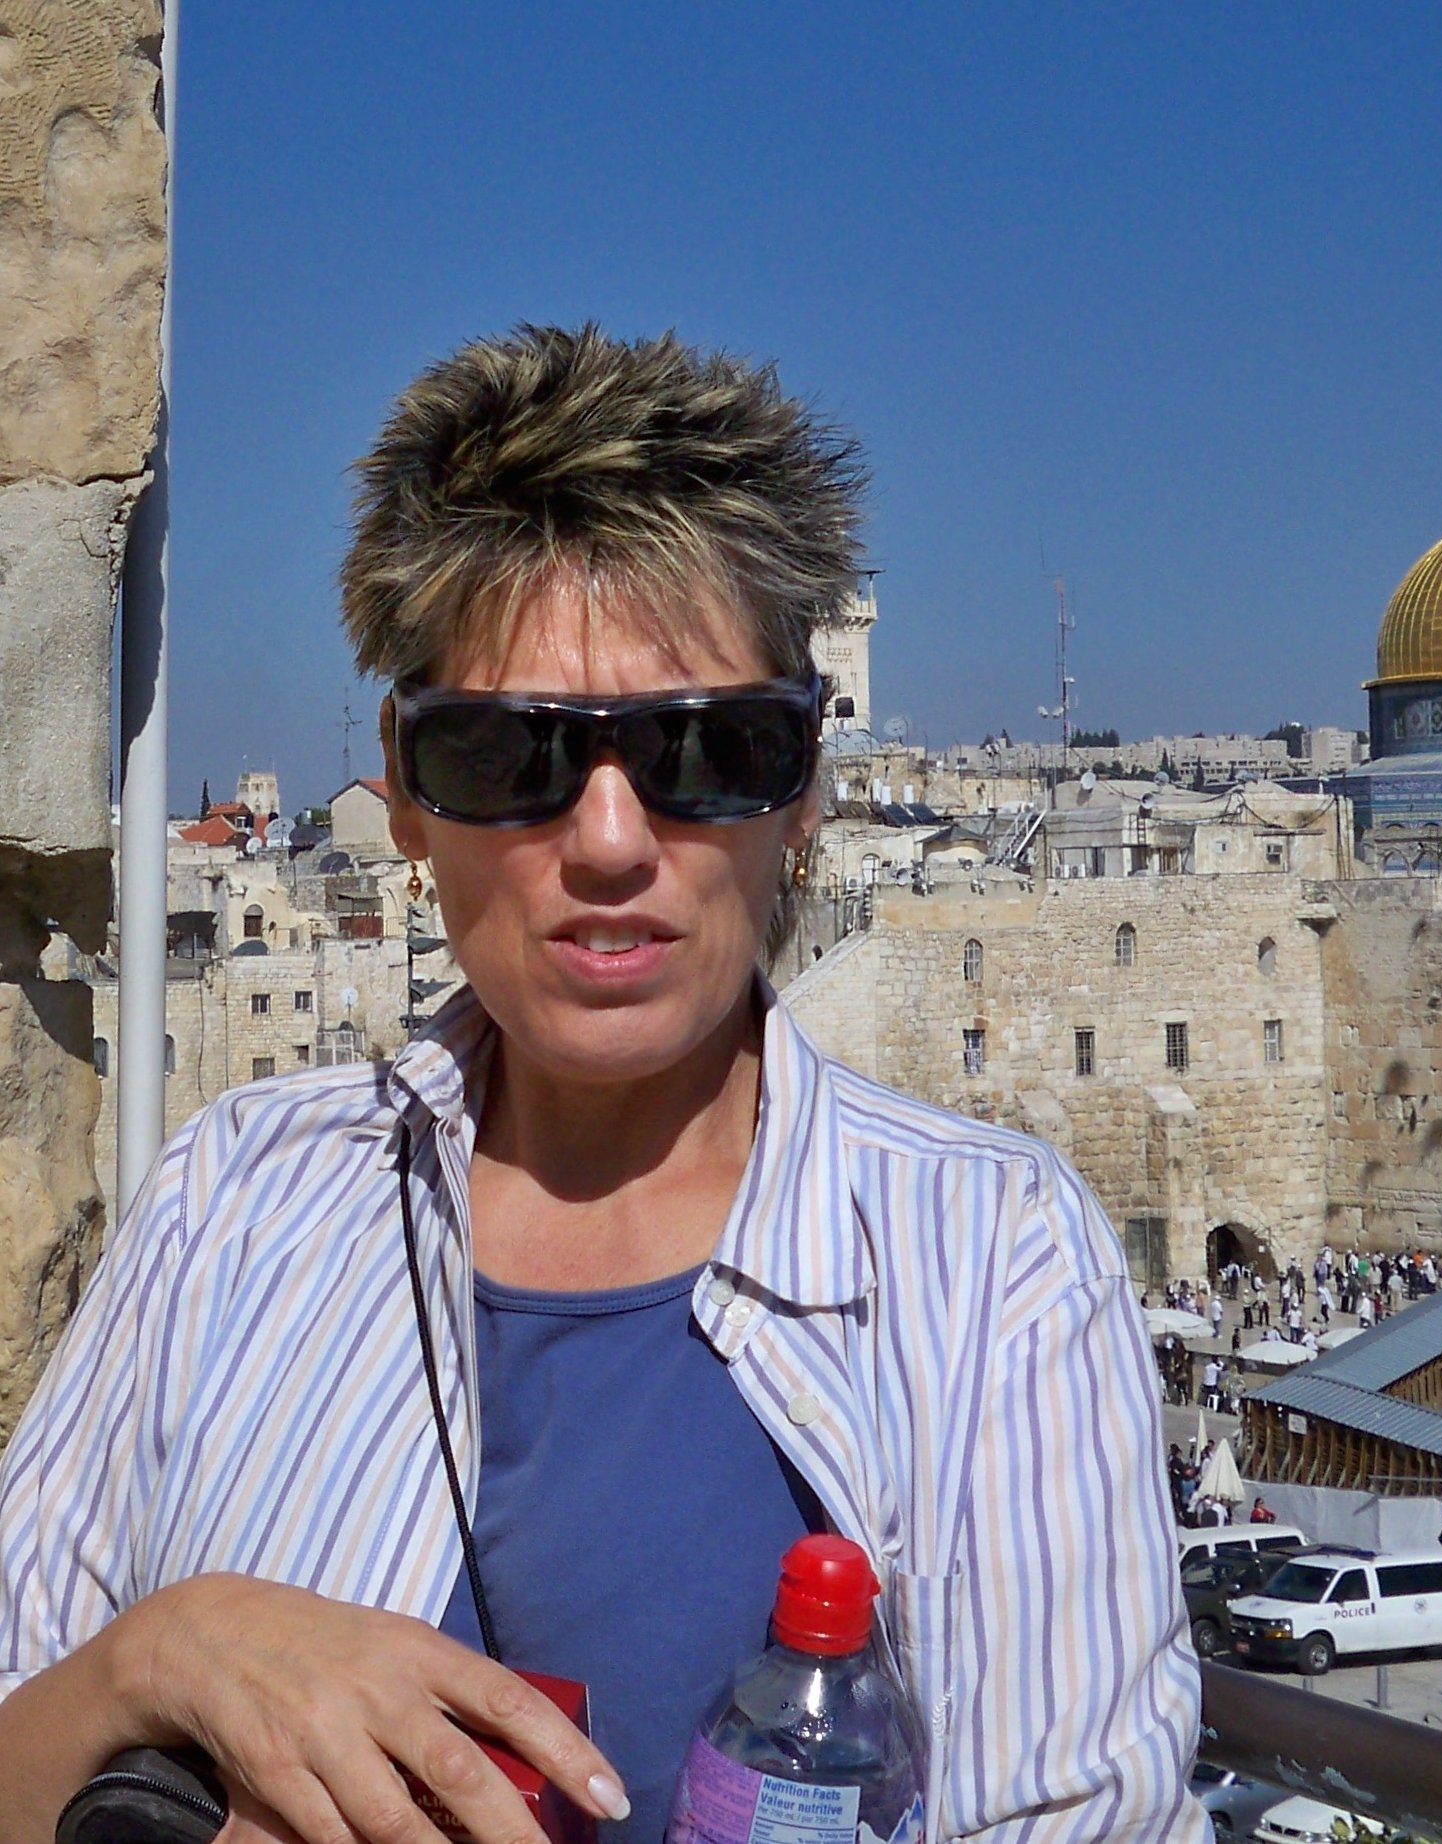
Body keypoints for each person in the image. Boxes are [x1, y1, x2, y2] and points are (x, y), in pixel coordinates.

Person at [0, 328, 1205, 1844]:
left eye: (710, 749)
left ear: (808, 787)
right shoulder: (235, 1203)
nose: (615, 841)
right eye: (515, 756)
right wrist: (157, 1660)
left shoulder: (992, 1270)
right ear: (409, 792)